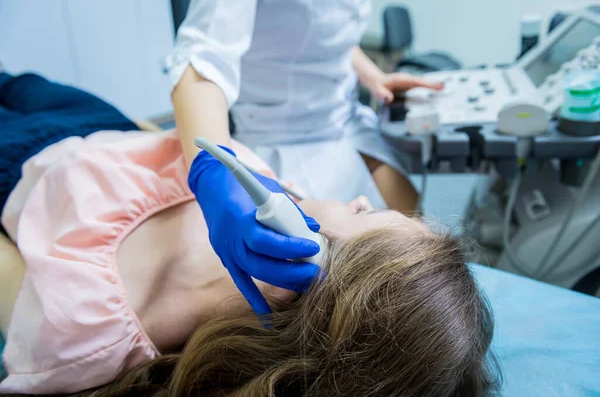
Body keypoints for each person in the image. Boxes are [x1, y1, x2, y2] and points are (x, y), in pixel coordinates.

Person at [0, 73, 500, 395]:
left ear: (309, 267)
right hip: (93, 122)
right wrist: (206, 163)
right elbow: (168, 135)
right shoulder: (263, 202)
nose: (362, 199)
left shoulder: (88, 333)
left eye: (366, 215)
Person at [168, 0, 444, 315]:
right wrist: (212, 172)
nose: (364, 203)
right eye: (364, 212)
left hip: (348, 122)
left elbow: (332, 28)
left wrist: (372, 75)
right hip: (282, 138)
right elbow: (203, 55)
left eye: (364, 212)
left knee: (416, 251)